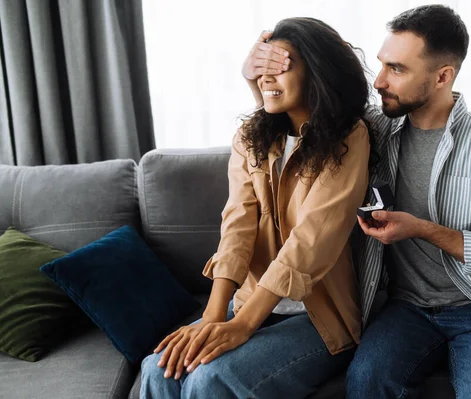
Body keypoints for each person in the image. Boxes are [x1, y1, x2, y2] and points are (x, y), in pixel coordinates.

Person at [242, 5, 471, 399]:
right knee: (366, 382)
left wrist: (422, 229)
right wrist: (256, 81)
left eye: (397, 69)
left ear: (443, 77)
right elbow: (308, 108)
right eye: (381, 64)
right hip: (406, 309)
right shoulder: (373, 129)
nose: (379, 81)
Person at [140, 17, 373, 399]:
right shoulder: (252, 138)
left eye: (282, 66)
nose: (265, 78)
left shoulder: (350, 137)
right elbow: (237, 227)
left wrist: (243, 326)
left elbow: (311, 242)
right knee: (159, 369)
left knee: (208, 379)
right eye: (261, 69)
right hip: (248, 302)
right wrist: (214, 317)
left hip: (318, 318)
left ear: (317, 71)